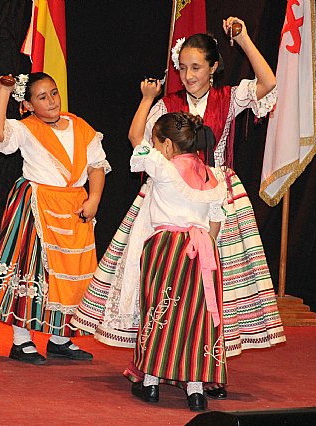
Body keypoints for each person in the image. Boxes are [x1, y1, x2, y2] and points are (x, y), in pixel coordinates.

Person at [71, 17, 285, 398]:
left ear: (214, 67)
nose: (188, 75)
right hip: (169, 202)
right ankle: (153, 364)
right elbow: (138, 141)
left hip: (212, 196)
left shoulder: (228, 98)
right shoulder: (168, 104)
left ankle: (206, 367)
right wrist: (147, 100)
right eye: (182, 67)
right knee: (161, 287)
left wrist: (245, 39)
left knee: (215, 289)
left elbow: (268, 83)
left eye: (197, 67)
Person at [0, 72, 110, 364]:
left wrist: (94, 199)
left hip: (74, 208)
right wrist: (4, 91)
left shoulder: (80, 126)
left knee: (71, 274)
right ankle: (21, 341)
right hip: (37, 208)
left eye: (53, 93)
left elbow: (97, 166)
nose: (51, 101)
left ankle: (61, 338)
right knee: (33, 272)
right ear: (27, 105)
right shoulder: (26, 128)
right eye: (41, 97)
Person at [127, 101, 227, 411]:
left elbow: (134, 140)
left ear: (167, 145)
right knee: (195, 318)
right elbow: (215, 220)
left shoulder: (164, 167)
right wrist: (204, 246)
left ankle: (152, 383)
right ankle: (195, 391)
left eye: (158, 142)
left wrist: (144, 99)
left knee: (160, 310)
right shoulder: (214, 176)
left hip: (167, 247)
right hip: (202, 252)